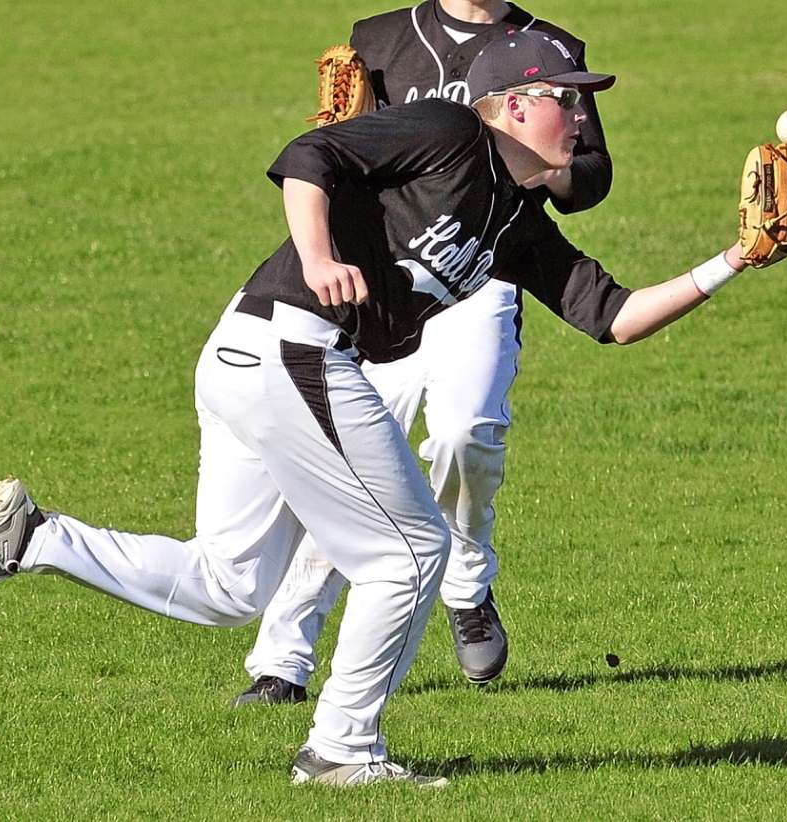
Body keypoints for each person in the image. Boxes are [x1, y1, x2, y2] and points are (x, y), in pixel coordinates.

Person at [0, 31, 766, 786]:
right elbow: (306, 155)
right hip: (291, 344)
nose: (579, 117)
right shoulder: (448, 133)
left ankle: (34, 537)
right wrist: (321, 255)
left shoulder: (515, 222)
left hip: (262, 356)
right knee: (408, 555)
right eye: (565, 97)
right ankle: (341, 749)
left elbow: (611, 317)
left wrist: (738, 257)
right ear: (511, 106)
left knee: (229, 584)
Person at [233, 0, 613, 706]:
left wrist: (535, 165)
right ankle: (282, 659)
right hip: (383, 284)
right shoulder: (377, 37)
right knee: (349, 466)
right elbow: (348, 153)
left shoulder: (548, 46)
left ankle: (466, 582)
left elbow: (590, 176)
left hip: (486, 272)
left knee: (467, 433)